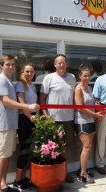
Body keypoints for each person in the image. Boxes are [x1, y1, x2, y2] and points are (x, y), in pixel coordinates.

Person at [0, 55, 39, 192]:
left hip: (11, 124)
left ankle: (3, 185)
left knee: (6, 157)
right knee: (1, 157)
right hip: (3, 124)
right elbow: (5, 101)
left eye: (12, 64)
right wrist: (28, 107)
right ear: (2, 66)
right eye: (7, 64)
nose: (10, 67)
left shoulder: (9, 81)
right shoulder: (1, 80)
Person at [40, 54, 76, 183]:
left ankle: (64, 172)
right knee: (53, 147)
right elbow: (42, 100)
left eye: (63, 62)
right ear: (55, 65)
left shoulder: (72, 77)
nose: (61, 65)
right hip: (54, 119)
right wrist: (46, 116)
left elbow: (74, 97)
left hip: (68, 119)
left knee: (65, 146)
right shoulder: (49, 78)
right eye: (59, 63)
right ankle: (53, 174)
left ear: (66, 64)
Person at [74, 64, 104, 184]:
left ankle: (82, 169)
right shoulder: (78, 89)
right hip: (82, 121)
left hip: (90, 120)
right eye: (84, 76)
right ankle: (83, 174)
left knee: (87, 147)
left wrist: (96, 106)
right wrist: (96, 115)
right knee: (87, 147)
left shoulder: (89, 88)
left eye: (89, 76)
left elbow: (90, 104)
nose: (87, 78)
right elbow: (80, 107)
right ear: (80, 76)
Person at [13, 63, 37, 190]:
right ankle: (17, 180)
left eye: (31, 72)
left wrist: (36, 116)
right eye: (27, 71)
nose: (29, 74)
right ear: (22, 72)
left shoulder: (32, 85)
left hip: (32, 119)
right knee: (24, 150)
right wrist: (30, 117)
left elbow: (34, 105)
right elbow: (22, 104)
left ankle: (24, 178)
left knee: (29, 150)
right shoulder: (20, 85)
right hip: (24, 119)